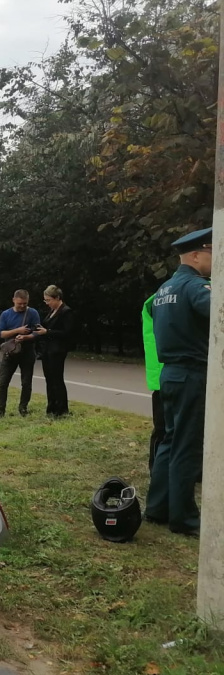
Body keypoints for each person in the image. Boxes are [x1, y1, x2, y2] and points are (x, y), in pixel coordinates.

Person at [144, 226, 212, 538]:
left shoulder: (164, 290)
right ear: (197, 255)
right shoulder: (197, 287)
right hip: (191, 375)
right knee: (187, 446)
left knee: (169, 442)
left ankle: (157, 508)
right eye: (212, 253)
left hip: (169, 374)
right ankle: (184, 518)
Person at [0, 289, 42, 419]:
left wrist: (27, 337)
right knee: (3, 383)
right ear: (13, 300)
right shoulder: (5, 314)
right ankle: (0, 410)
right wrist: (17, 331)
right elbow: (0, 334)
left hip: (27, 352)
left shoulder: (33, 313)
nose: (22, 306)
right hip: (10, 352)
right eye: (20, 303)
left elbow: (38, 332)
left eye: (25, 304)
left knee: (26, 382)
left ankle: (23, 407)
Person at [34, 285, 74, 418]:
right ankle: (51, 407)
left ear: (57, 298)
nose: (47, 303)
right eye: (45, 300)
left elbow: (68, 333)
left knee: (57, 380)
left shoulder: (66, 311)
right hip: (47, 350)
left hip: (58, 350)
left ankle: (62, 409)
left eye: (48, 300)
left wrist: (48, 332)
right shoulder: (52, 311)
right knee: (49, 379)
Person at [141, 291, 164, 473]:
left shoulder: (162, 295)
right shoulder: (181, 291)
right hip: (165, 374)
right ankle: (156, 468)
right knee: (163, 429)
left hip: (165, 373)